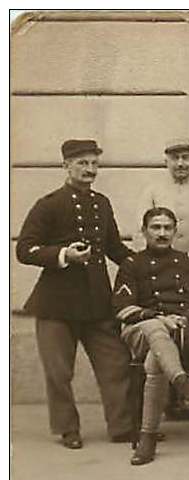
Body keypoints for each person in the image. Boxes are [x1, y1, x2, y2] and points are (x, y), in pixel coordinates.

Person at [16, 139, 136, 449]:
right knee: (59, 372)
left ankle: (122, 427)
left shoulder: (102, 203)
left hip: (97, 301)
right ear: (66, 165)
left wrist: (143, 264)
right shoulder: (49, 204)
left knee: (116, 364)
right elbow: (25, 249)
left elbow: (113, 247)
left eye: (94, 163)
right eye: (82, 163)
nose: (90, 170)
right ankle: (68, 429)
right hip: (55, 304)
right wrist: (63, 255)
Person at [113, 207, 189, 465]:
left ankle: (147, 438)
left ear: (175, 232)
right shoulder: (131, 264)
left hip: (181, 332)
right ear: (144, 231)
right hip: (139, 331)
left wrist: (186, 318)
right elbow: (122, 307)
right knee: (154, 328)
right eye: (155, 228)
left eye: (167, 228)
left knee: (155, 362)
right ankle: (182, 382)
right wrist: (158, 318)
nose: (162, 233)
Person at [135, 138, 189, 279]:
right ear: (166, 162)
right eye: (175, 158)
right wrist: (151, 263)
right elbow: (141, 229)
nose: (181, 163)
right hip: (159, 271)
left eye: (185, 158)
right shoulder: (152, 190)